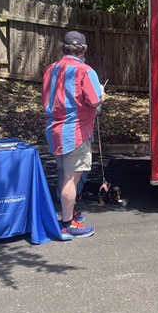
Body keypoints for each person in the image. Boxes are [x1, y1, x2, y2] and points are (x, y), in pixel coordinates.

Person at [42, 30, 105, 239]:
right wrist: (102, 95)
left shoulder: (51, 69)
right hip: (76, 131)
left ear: (64, 48)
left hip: (54, 130)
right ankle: (68, 222)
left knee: (63, 172)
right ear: (83, 50)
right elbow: (94, 100)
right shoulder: (85, 71)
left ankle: (69, 211)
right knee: (71, 177)